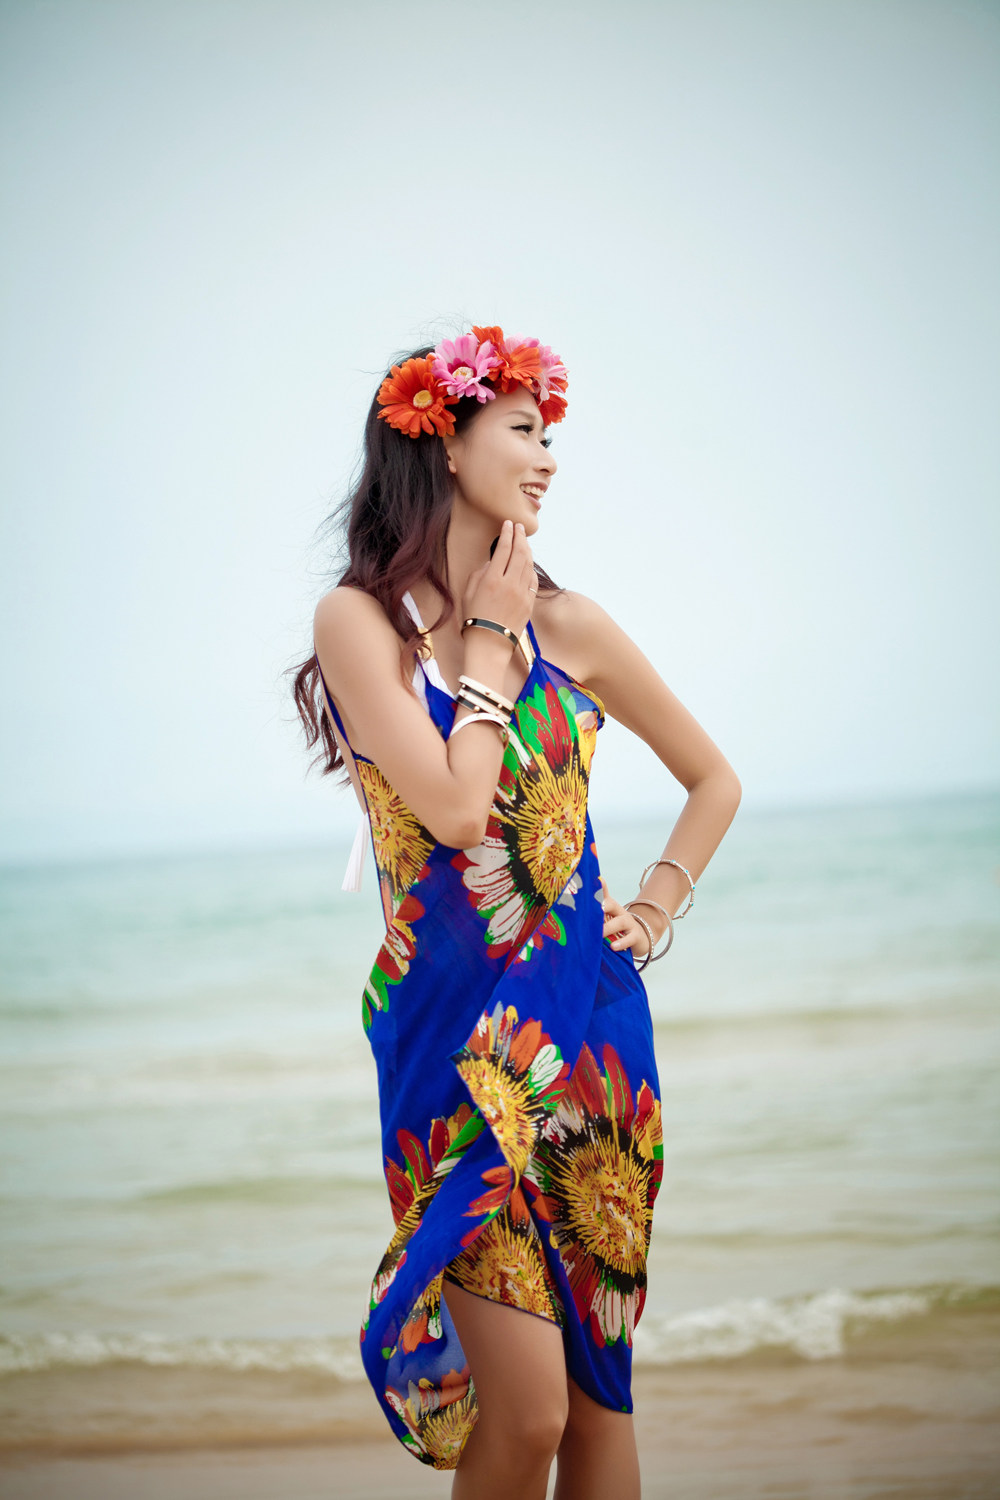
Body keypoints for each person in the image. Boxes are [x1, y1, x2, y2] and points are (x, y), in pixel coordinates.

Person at [292, 325, 741, 1499]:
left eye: (550, 436)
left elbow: (713, 781)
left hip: (592, 1033)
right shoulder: (361, 625)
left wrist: (653, 909)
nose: (547, 458)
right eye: (523, 430)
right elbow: (454, 812)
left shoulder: (573, 624)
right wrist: (490, 643)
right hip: (450, 1048)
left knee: (596, 1400)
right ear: (443, 442)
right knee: (529, 1409)